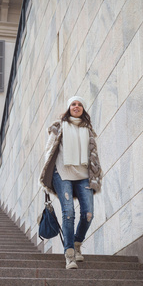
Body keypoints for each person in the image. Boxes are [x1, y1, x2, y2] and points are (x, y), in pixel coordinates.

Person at [39, 96, 103, 269]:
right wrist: (47, 174)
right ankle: (69, 254)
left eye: (80, 104)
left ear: (83, 109)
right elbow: (49, 151)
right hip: (63, 173)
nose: (76, 106)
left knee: (88, 213)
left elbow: (93, 155)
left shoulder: (87, 130)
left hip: (83, 175)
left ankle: (77, 243)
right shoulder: (58, 126)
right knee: (68, 213)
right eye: (73, 104)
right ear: (69, 108)